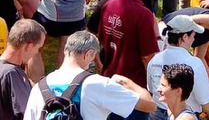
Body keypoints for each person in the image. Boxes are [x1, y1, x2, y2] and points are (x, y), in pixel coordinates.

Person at [24, 30, 157, 120]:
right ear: (89, 54)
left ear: (65, 50)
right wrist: (127, 82)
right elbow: (150, 105)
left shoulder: (39, 87)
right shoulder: (98, 84)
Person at [98, 0, 160, 96]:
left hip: (109, 76)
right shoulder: (144, 14)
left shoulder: (109, 4)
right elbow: (147, 56)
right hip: (133, 85)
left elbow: (102, 39)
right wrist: (154, 84)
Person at [147, 15, 209, 120]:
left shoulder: (154, 60)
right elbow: (205, 101)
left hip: (156, 114)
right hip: (185, 115)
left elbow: (151, 89)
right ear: (184, 37)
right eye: (193, 35)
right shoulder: (194, 64)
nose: (194, 39)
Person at [0, 19, 46, 120]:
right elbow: (27, 113)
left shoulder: (7, 70)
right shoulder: (12, 74)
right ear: (29, 46)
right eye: (38, 48)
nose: (36, 52)